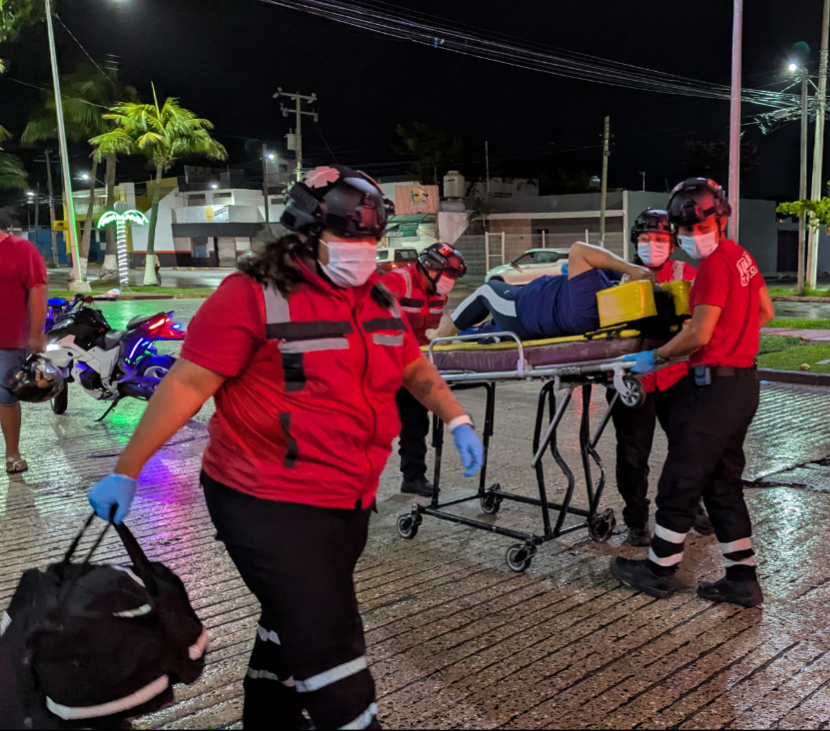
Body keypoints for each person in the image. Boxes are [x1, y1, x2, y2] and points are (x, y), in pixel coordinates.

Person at [85, 165, 484, 731]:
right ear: (305, 233)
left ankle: (268, 717)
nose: (363, 250)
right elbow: (186, 387)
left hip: (346, 499)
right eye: (349, 237)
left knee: (289, 623)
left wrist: (457, 416)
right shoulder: (250, 297)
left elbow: (414, 365)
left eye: (370, 239)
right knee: (331, 650)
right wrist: (128, 470)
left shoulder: (378, 298)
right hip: (263, 499)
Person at [610, 178, 774, 608]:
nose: (691, 237)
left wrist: (657, 357)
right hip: (743, 384)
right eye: (685, 230)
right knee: (722, 485)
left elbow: (698, 333)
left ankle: (658, 570)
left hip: (711, 388)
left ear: (719, 222)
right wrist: (736, 338)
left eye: (695, 228)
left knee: (679, 482)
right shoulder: (741, 257)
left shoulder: (714, 268)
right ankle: (742, 579)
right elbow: (764, 311)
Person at [610, 209, 710, 546]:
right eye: (645, 238)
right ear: (635, 241)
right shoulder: (620, 278)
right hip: (632, 378)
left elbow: (701, 324)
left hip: (676, 375)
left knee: (687, 447)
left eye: (660, 239)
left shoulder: (687, 273)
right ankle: (636, 519)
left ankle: (690, 508)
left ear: (672, 242)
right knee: (632, 454)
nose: (652, 244)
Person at [432, 240, 652, 341]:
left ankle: (444, 334)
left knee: (486, 291)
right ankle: (468, 330)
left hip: (520, 311)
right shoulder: (607, 301)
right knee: (487, 325)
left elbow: (578, 250)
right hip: (533, 311)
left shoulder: (590, 305)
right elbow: (609, 270)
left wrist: (630, 268)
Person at [381, 242, 467, 497]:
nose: (449, 281)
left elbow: (431, 335)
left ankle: (413, 477)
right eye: (448, 274)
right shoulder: (397, 282)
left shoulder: (439, 294)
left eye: (453, 277)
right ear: (430, 267)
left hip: (411, 365)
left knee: (416, 422)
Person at [0, 231, 47, 475]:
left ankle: (12, 454)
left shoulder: (21, 250)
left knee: (5, 397)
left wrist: (36, 333)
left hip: (8, 341)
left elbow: (37, 291)